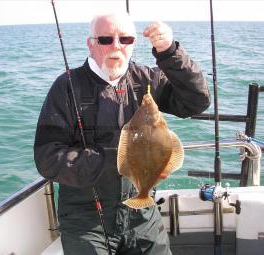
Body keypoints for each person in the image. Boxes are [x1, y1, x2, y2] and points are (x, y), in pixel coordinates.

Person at [34, 12, 210, 255]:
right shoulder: (66, 87)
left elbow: (196, 101)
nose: (116, 46)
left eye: (125, 39)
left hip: (143, 215)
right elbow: (48, 157)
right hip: (85, 218)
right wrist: (119, 160)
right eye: (106, 39)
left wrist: (169, 53)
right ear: (91, 43)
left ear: (134, 43)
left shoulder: (147, 79)